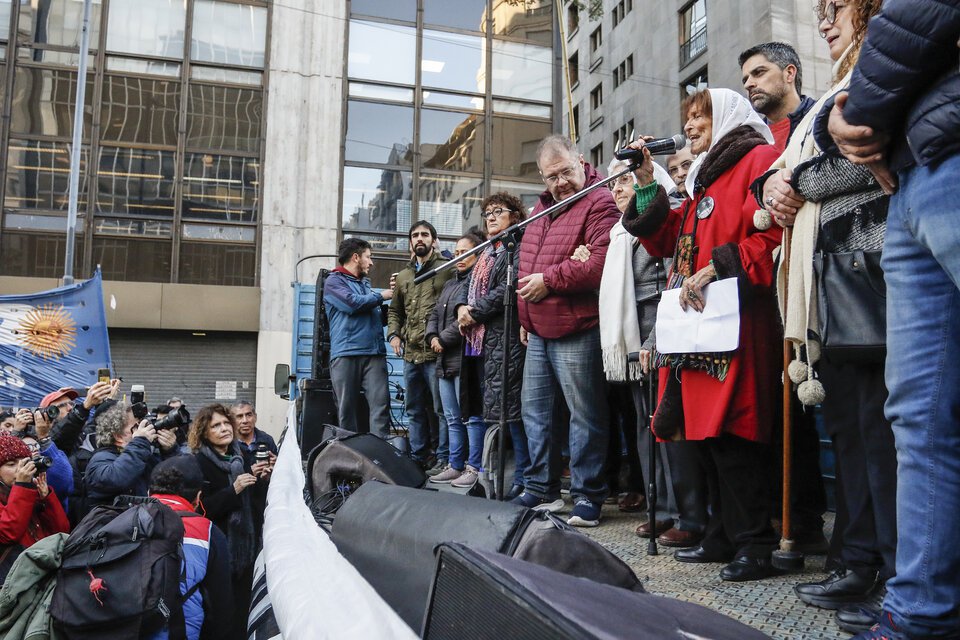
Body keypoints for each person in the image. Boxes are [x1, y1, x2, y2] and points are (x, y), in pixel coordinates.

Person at [754, 0, 892, 632]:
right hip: (824, 281)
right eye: (819, 11)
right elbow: (776, 180)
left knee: (878, 433)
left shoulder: (876, 69)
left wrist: (796, 182)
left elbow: (860, 154)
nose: (824, 20)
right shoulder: (833, 89)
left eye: (835, 7)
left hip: (872, 265)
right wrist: (775, 189)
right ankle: (856, 560)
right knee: (853, 431)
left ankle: (887, 572)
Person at [826, 1, 960, 638]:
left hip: (947, 156)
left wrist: (854, 113)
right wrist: (840, 116)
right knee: (917, 414)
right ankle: (920, 612)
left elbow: (917, 17)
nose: (829, 19)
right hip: (912, 173)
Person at [623, 88, 783, 581]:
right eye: (688, 118)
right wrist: (647, 180)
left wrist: (718, 267)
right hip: (698, 329)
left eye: (701, 116)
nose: (690, 126)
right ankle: (719, 534)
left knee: (735, 434)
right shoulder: (700, 182)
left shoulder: (760, 157)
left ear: (729, 116)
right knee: (705, 436)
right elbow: (666, 238)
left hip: (739, 323)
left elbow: (775, 232)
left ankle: (754, 544)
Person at [573, 158, 708, 548]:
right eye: (613, 182)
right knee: (644, 429)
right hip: (633, 345)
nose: (614, 189)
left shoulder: (660, 225)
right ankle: (660, 507)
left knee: (669, 427)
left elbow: (672, 282)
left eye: (625, 181)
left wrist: (654, 341)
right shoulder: (618, 234)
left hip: (659, 337)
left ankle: (688, 512)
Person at [741, 41, 829, 555]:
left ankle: (808, 520)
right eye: (746, 77)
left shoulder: (814, 120)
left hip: (817, 280)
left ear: (790, 72)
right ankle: (785, 516)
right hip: (765, 290)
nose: (750, 83)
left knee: (810, 405)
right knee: (778, 411)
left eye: (760, 72)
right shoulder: (752, 139)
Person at [509, 134, 620, 528]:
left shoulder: (599, 200)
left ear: (581, 161)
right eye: (552, 176)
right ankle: (541, 488)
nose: (561, 182)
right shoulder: (539, 210)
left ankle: (588, 495)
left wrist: (551, 281)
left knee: (584, 415)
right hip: (537, 330)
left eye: (566, 172)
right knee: (535, 413)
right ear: (542, 176)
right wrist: (525, 319)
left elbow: (598, 264)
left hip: (578, 326)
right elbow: (525, 268)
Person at [456, 193, 531, 499]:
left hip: (510, 338)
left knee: (515, 417)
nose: (490, 217)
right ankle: (499, 477)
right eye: (487, 212)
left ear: (515, 215)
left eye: (498, 211)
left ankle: (524, 479)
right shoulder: (489, 252)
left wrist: (474, 311)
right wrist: (462, 306)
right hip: (488, 343)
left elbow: (508, 289)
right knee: (499, 414)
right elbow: (468, 286)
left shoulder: (517, 247)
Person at [189, 403, 269, 638]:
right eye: (216, 425)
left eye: (226, 423)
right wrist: (232, 490)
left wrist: (261, 480)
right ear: (204, 432)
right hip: (218, 551)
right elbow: (200, 510)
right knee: (221, 614)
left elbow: (254, 505)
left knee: (243, 610)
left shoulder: (239, 456)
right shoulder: (198, 463)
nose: (224, 428)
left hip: (247, 549)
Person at [387, 221, 454, 470]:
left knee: (441, 410)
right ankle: (418, 457)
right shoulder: (404, 276)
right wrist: (393, 335)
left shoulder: (446, 268)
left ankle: (443, 457)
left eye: (425, 234)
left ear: (433, 240)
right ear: (410, 242)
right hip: (411, 355)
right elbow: (394, 311)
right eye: (415, 235)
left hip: (436, 353)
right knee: (414, 409)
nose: (419, 238)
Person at [148, 456, 233, 640]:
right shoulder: (208, 532)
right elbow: (220, 609)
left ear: (149, 492)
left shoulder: (122, 519)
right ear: (198, 498)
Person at [426, 231, 486, 487]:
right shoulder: (451, 283)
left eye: (465, 252)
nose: (459, 258)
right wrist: (431, 335)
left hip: (464, 357)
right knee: (451, 417)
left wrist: (442, 339)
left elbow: (467, 319)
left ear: (479, 253)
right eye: (457, 253)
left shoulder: (476, 282)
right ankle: (455, 464)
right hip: (444, 359)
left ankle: (473, 467)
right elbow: (434, 313)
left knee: (471, 417)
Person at [323, 238, 394, 437]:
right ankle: (350, 458)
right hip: (346, 354)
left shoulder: (365, 286)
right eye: (368, 257)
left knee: (381, 407)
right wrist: (382, 296)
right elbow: (352, 304)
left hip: (374, 354)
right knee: (347, 411)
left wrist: (390, 311)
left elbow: (372, 317)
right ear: (356, 257)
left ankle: (380, 458)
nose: (371, 263)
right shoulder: (333, 281)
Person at [0, 433, 70, 583]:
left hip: (42, 574)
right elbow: (8, 533)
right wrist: (22, 486)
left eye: (24, 462)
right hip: (12, 582)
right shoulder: (23, 490)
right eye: (11, 464)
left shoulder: (30, 492)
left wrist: (46, 498)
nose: (20, 469)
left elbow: (61, 531)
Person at [85, 402, 179, 509]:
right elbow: (116, 479)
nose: (142, 430)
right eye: (136, 427)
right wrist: (140, 441)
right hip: (114, 523)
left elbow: (175, 482)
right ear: (118, 436)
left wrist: (170, 451)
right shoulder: (100, 458)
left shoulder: (144, 455)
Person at [739, 42, 816, 151]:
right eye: (745, 80)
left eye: (759, 72)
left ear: (789, 73)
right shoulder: (749, 141)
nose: (748, 84)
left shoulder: (826, 117)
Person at [34, 381, 116, 455]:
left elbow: (99, 423)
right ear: (48, 414)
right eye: (61, 405)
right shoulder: (48, 440)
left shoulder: (83, 430)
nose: (70, 408)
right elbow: (62, 432)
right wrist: (84, 407)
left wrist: (106, 401)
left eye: (71, 404)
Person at [20, 431, 73, 512]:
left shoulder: (48, 466)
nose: (35, 449)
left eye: (36, 445)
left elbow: (66, 485)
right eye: (29, 447)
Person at [230, 402, 278, 469]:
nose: (245, 421)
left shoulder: (267, 440)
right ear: (231, 421)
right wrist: (249, 473)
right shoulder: (228, 444)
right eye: (239, 416)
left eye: (249, 415)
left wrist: (276, 464)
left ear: (255, 417)